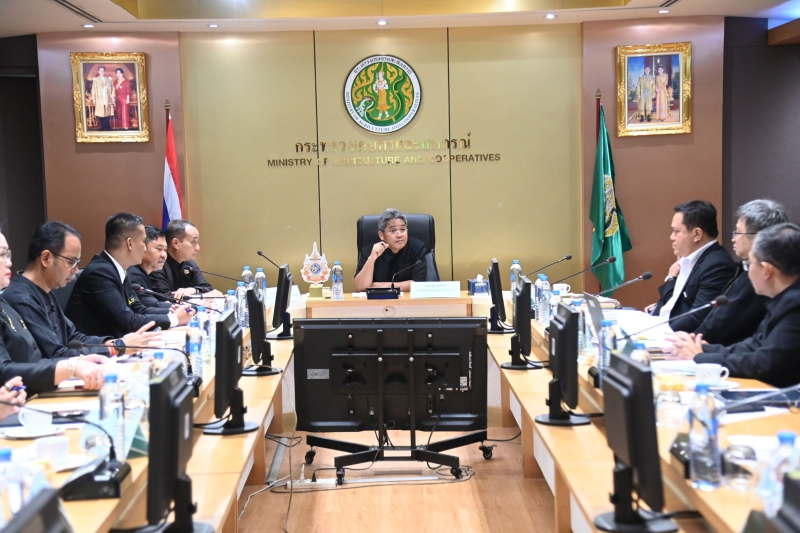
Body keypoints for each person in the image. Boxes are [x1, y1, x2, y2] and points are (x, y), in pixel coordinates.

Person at [668, 223, 800, 388]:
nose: (747, 272)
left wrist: (700, 357)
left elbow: (763, 363)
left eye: (749, 265)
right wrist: (704, 349)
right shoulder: (783, 299)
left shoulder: (794, 306)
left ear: (767, 271)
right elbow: (754, 345)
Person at [3, 221, 156, 362]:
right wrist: (116, 347)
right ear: (46, 258)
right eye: (71, 262)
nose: (76, 270)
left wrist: (114, 343)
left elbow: (73, 338)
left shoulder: (44, 291)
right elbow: (56, 354)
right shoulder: (22, 298)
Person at [0, 230, 106, 393]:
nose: (9, 262)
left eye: (7, 254)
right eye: (2, 254)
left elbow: (36, 360)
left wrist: (81, 360)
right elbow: (5, 371)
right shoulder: (20, 298)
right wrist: (71, 367)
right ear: (46, 258)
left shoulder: (6, 304)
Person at [674, 200, 788, 346]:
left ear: (759, 237)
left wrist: (693, 342)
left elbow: (723, 324)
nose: (733, 238)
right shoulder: (745, 269)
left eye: (738, 232)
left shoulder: (760, 277)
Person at [66, 213, 194, 338]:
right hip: (95, 348)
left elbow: (139, 309)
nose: (145, 248)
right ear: (130, 243)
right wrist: (174, 318)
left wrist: (174, 310)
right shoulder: (99, 273)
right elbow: (129, 321)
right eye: (143, 242)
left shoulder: (119, 270)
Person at [646, 200, 736, 332]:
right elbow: (679, 303)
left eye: (676, 232)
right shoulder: (688, 259)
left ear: (697, 234)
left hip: (680, 337)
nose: (671, 237)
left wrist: (656, 331)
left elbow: (697, 318)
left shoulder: (717, 265)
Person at [354, 209, 428, 292]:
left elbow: (418, 284)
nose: (399, 235)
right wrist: (371, 259)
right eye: (393, 231)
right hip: (378, 299)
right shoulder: (370, 251)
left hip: (407, 299)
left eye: (402, 229)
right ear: (381, 235)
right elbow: (360, 287)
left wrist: (381, 286)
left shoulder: (416, 248)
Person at [150, 219, 219, 300]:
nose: (198, 248)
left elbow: (208, 288)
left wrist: (192, 290)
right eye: (193, 242)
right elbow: (165, 297)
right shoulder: (159, 263)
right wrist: (200, 296)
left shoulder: (190, 264)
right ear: (175, 243)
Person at [127, 226, 171, 309]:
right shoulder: (133, 274)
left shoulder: (145, 273)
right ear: (142, 248)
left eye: (165, 250)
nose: (164, 255)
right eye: (159, 249)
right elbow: (150, 305)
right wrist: (191, 307)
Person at [91, 66, 115, 131]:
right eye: (100, 71)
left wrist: (112, 97)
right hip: (99, 99)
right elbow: (93, 89)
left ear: (104, 72)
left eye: (103, 71)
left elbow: (112, 88)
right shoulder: (96, 80)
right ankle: (102, 127)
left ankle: (108, 127)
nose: (101, 72)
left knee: (107, 112)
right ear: (98, 72)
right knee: (101, 113)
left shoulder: (109, 80)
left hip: (107, 98)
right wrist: (94, 99)